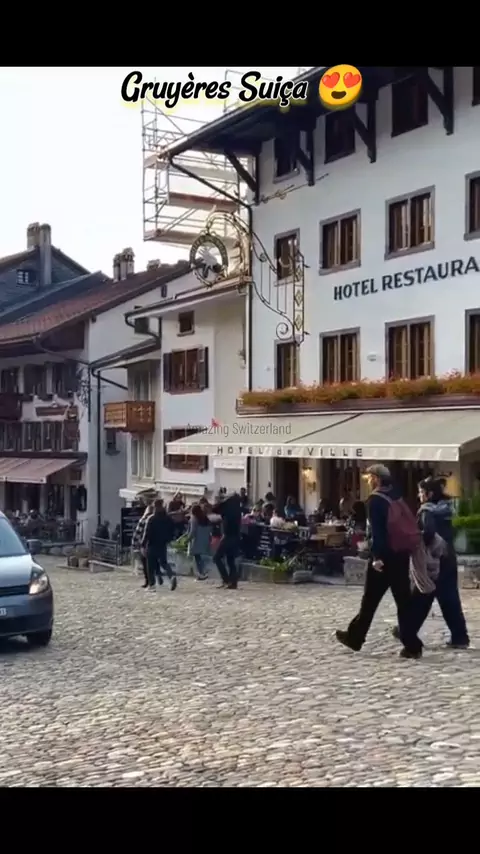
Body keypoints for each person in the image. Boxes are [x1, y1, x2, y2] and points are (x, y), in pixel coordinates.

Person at [335, 464, 427, 659]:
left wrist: (377, 557)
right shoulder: (396, 495)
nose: (368, 480)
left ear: (376, 478)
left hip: (384, 558)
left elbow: (378, 532)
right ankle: (412, 645)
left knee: (369, 600)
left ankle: (355, 637)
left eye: (370, 477)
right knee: (403, 601)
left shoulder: (375, 500)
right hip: (401, 555)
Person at [392, 478, 470, 649]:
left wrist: (413, 539)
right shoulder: (447, 510)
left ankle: (407, 630)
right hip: (448, 557)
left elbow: (428, 533)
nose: (419, 495)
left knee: (421, 596)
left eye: (421, 492)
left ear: (429, 494)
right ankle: (460, 636)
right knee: (449, 599)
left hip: (432, 561)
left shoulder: (427, 511)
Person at [142, 499, 177, 592]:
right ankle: (171, 576)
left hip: (152, 544)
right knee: (164, 562)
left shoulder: (151, 519)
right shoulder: (168, 518)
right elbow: (173, 529)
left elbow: (147, 532)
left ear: (155, 507)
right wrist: (169, 539)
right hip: (163, 544)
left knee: (150, 565)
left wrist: (143, 544)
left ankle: (152, 585)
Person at [212, 491, 242, 589]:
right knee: (230, 560)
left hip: (228, 536)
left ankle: (226, 579)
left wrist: (222, 500)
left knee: (217, 558)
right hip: (235, 537)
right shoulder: (237, 510)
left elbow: (215, 509)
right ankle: (233, 582)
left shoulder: (227, 508)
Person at [132, 502, 154, 589]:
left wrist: (134, 544)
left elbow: (138, 532)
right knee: (152, 564)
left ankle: (148, 581)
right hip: (154, 544)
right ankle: (152, 581)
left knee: (145, 564)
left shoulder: (143, 520)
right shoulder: (155, 519)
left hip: (144, 544)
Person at [187, 503, 212, 581]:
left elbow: (193, 531)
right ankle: (202, 572)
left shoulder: (194, 519)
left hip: (196, 540)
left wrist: (188, 539)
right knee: (201, 557)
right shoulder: (205, 518)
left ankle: (201, 573)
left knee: (197, 558)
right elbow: (210, 530)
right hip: (204, 540)